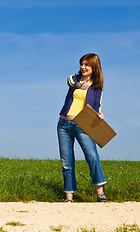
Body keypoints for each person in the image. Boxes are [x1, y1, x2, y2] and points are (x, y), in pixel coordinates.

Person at [57, 53, 108, 202]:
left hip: (82, 125)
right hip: (63, 125)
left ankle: (100, 194)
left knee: (92, 156)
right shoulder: (74, 79)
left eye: (87, 65)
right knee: (67, 161)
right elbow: (71, 82)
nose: (83, 67)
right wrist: (80, 84)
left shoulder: (97, 87)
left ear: (94, 68)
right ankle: (69, 196)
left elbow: (97, 106)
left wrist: (100, 114)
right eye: (82, 64)